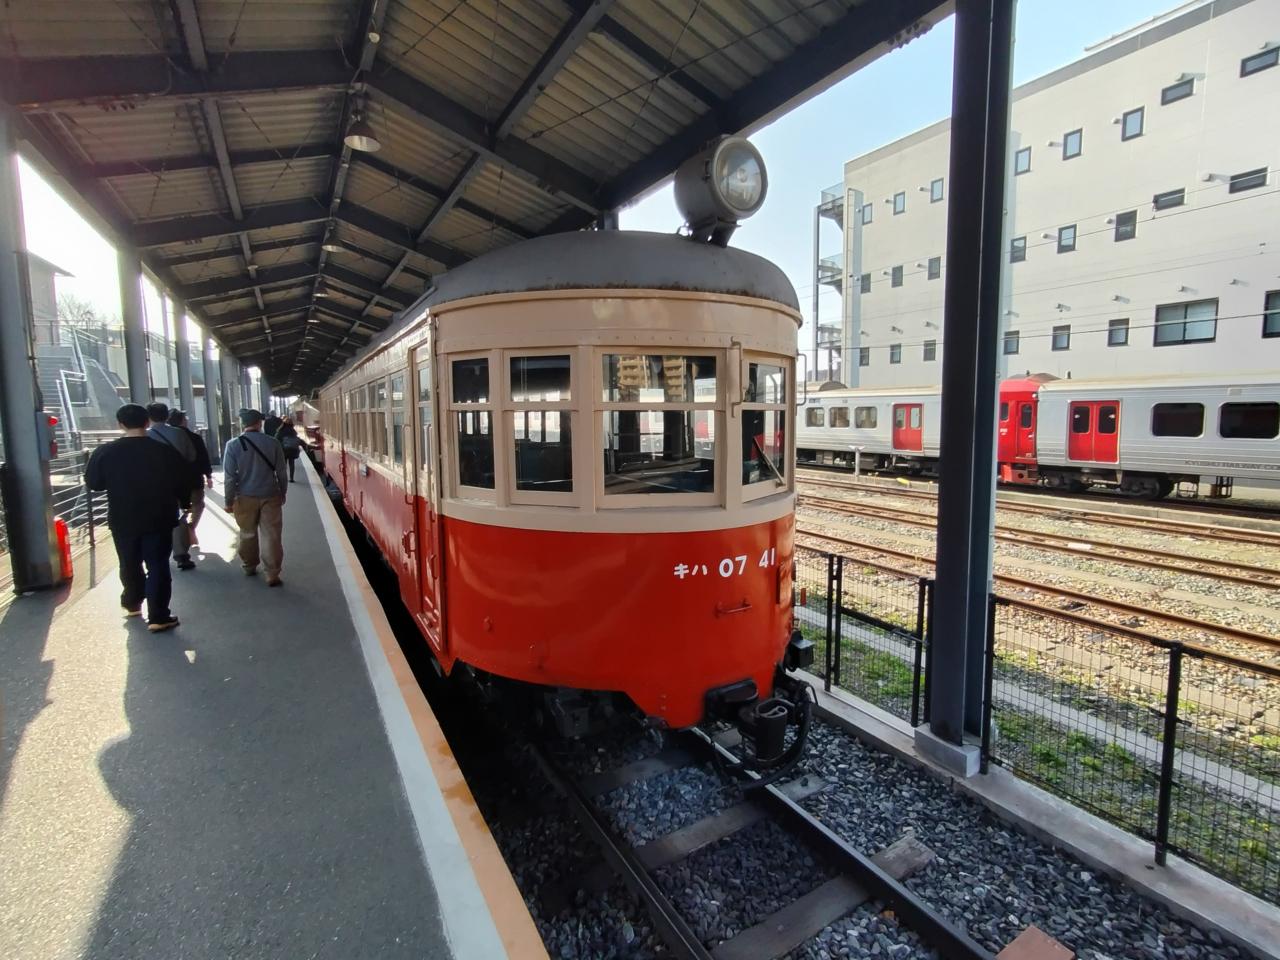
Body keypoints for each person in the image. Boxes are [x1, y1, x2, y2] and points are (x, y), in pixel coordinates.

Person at [85, 403, 190, 632]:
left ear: (120, 424)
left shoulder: (105, 452)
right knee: (157, 564)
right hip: (159, 516)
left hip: (123, 517)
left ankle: (132, 602)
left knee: (128, 561)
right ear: (147, 422)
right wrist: (185, 504)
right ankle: (159, 616)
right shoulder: (164, 452)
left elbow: (94, 483)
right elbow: (183, 481)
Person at [223, 408, 288, 587]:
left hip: (244, 496)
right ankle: (272, 573)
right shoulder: (273, 443)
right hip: (270, 495)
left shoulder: (233, 445)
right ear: (259, 423)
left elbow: (229, 477)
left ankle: (249, 565)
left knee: (247, 533)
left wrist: (228, 501)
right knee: (271, 535)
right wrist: (283, 492)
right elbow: (281, 472)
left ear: (242, 423)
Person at [146, 402, 199, 571]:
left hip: (153, 485)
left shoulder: (146, 436)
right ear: (167, 416)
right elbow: (191, 456)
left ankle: (156, 554)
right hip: (177, 482)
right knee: (179, 516)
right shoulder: (179, 433)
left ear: (148, 417)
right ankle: (181, 554)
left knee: (153, 517)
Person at [167, 409, 213, 546]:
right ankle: (191, 527)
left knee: (178, 508)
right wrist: (208, 475)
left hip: (173, 481)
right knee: (198, 504)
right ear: (183, 421)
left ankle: (183, 530)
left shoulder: (166, 438)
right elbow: (204, 457)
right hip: (194, 479)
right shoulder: (195, 437)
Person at [276, 416, 303, 482]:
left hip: (284, 449)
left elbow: (277, 438)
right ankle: (291, 478)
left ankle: (284, 477)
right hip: (292, 449)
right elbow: (296, 439)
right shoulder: (293, 431)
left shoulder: (281, 430)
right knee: (291, 463)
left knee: (284, 464)